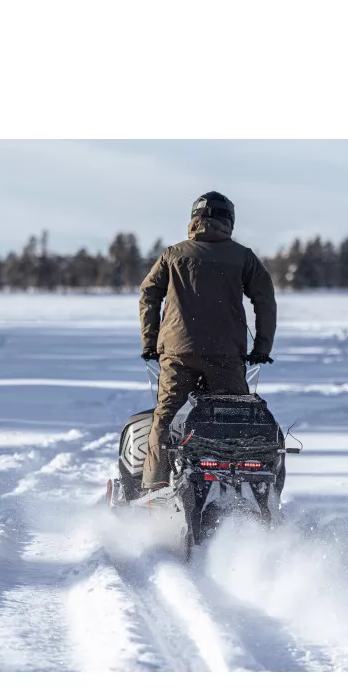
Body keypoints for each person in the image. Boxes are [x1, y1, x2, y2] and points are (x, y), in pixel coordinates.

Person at [139, 191, 277, 490]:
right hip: (226, 354)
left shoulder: (173, 254)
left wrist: (150, 342)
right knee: (234, 418)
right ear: (228, 221)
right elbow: (265, 300)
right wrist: (262, 348)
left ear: (194, 219)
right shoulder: (243, 257)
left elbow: (149, 293)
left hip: (177, 352)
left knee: (165, 416)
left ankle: (154, 485)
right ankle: (242, 486)